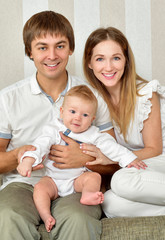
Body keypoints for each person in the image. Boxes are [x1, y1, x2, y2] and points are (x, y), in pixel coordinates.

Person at [0, 12, 119, 240]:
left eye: (60, 46)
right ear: (29, 51)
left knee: (79, 219)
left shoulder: (93, 97)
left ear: (71, 48)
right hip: (24, 185)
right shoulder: (8, 99)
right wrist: (18, 155)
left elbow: (114, 163)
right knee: (7, 215)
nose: (52, 55)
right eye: (42, 47)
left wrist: (83, 160)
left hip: (77, 184)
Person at [17, 84, 141, 232]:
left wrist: (129, 159)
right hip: (53, 180)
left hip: (77, 180)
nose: (77, 117)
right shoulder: (54, 130)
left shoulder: (93, 135)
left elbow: (112, 147)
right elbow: (40, 145)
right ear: (62, 112)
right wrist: (28, 160)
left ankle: (88, 195)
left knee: (94, 177)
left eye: (85, 115)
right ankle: (46, 215)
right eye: (73, 111)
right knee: (40, 188)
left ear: (92, 119)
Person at [82, 26, 165, 217]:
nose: (109, 67)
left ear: (126, 61)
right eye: (100, 59)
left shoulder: (145, 93)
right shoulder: (92, 101)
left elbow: (154, 149)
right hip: (136, 167)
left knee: (121, 180)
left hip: (158, 159)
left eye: (116, 58)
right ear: (89, 63)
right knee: (110, 204)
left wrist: (112, 159)